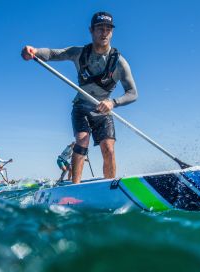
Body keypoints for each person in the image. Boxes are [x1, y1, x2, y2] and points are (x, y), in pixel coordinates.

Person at [21, 11, 138, 183]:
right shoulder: (79, 53)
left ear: (111, 32)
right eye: (100, 28)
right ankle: (75, 186)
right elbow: (54, 54)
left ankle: (109, 187)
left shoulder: (119, 62)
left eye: (108, 29)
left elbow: (132, 93)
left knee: (109, 148)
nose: (104, 32)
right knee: (82, 141)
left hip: (102, 110)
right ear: (91, 30)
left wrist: (113, 102)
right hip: (81, 107)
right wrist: (35, 51)